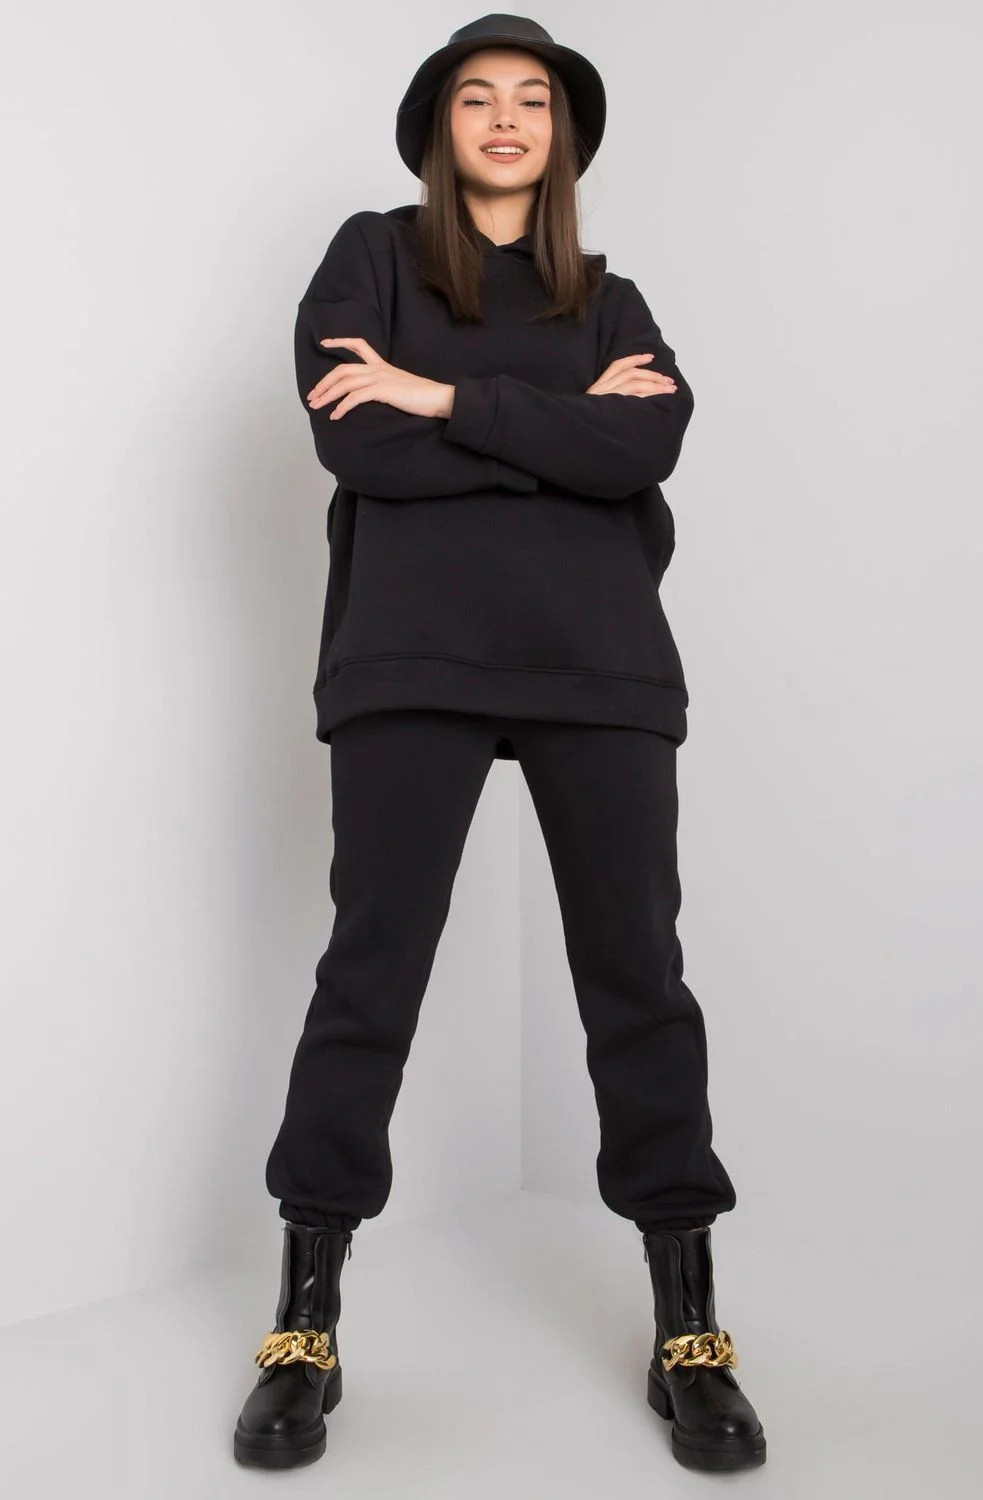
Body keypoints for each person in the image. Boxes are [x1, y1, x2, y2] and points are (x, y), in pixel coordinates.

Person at [233, 13, 766, 1475]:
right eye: (480, 97)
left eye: (535, 98)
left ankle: (690, 1327)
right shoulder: (370, 258)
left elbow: (645, 447)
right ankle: (304, 1323)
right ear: (440, 129)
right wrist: (554, 435)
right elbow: (357, 442)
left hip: (601, 660)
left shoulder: (610, 295)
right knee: (371, 971)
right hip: (410, 654)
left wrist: (448, 398)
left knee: (638, 980)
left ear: (564, 135)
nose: (511, 117)